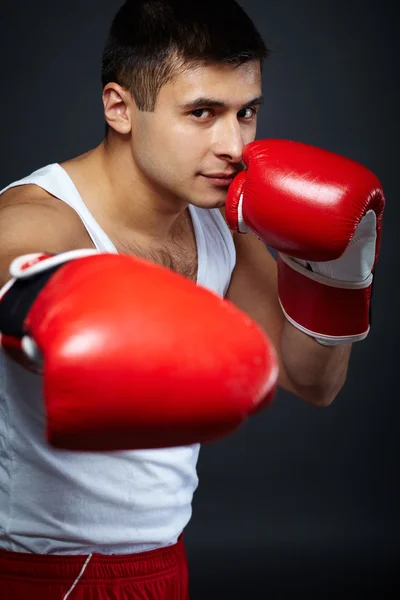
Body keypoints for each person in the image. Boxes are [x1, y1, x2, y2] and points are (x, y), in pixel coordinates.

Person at [0, 0, 384, 598]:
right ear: (120, 107)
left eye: (247, 112)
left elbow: (313, 381)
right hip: (41, 571)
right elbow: (14, 269)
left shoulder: (223, 222)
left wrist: (339, 272)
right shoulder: (37, 218)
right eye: (202, 113)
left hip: (164, 563)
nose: (234, 145)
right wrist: (52, 301)